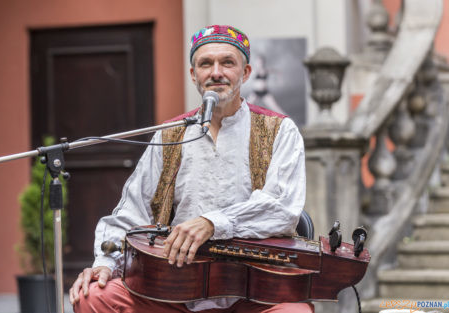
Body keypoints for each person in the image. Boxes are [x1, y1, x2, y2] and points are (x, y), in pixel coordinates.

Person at [70, 25, 310, 313]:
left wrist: (211, 223)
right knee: (92, 298)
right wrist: (105, 264)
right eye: (206, 64)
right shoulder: (170, 134)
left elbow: (282, 208)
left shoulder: (280, 130)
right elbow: (130, 213)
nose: (216, 72)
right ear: (193, 75)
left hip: (253, 292)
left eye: (227, 62)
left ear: (245, 73)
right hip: (172, 290)